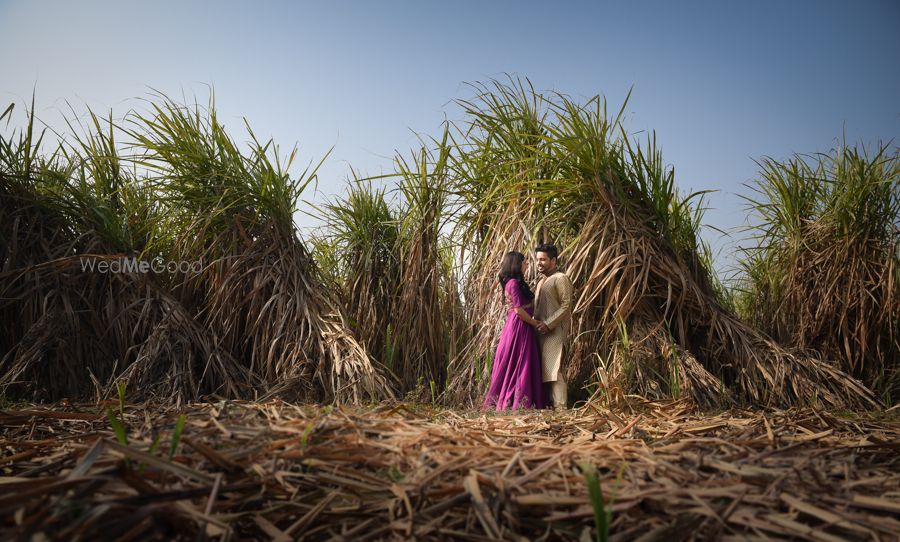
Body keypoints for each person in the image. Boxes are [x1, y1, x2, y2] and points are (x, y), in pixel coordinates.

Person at [483, 251, 546, 411]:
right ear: (516, 264)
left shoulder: (516, 282)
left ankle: (522, 399)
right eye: (524, 263)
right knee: (520, 361)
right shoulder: (513, 283)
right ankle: (518, 401)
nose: (526, 265)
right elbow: (518, 310)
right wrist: (534, 322)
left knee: (521, 361)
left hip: (521, 325)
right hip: (520, 326)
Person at [534, 243, 574, 410]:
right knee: (546, 372)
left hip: (555, 332)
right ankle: (550, 407)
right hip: (541, 332)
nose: (539, 263)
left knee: (554, 370)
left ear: (553, 260)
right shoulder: (541, 282)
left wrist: (549, 324)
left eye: (543, 259)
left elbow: (566, 304)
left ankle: (561, 409)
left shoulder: (561, 278)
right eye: (537, 260)